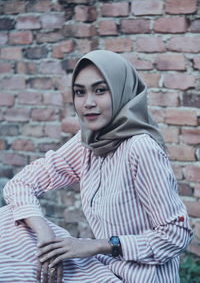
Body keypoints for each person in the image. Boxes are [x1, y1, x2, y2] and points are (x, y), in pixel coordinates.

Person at [0, 50, 193, 283]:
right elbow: (21, 184)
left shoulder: (140, 148)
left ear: (122, 90)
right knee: (11, 221)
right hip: (103, 270)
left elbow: (175, 234)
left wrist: (98, 245)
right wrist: (45, 236)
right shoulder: (89, 142)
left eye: (100, 90)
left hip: (138, 277)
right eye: (80, 92)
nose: (88, 103)